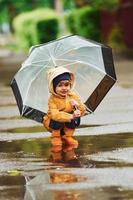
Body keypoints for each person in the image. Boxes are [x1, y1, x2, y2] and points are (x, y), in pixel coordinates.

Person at [43, 66, 86, 147]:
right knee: (57, 119)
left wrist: (77, 106)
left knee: (74, 116)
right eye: (60, 85)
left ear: (70, 85)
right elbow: (55, 115)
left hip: (68, 122)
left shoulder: (72, 96)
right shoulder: (52, 99)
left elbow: (82, 111)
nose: (64, 88)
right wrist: (71, 116)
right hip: (54, 123)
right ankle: (55, 137)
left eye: (66, 85)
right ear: (54, 87)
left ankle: (68, 136)